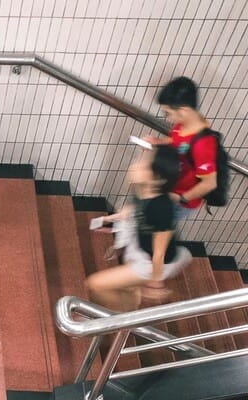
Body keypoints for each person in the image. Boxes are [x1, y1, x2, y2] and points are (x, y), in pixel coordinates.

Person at [86, 145, 192, 311]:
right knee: (126, 285)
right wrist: (110, 222)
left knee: (95, 284)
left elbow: (159, 253)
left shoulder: (161, 210)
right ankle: (128, 304)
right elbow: (134, 210)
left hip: (151, 263)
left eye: (143, 164)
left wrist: (155, 283)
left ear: (157, 177)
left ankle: (122, 317)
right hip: (140, 246)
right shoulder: (143, 189)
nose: (135, 165)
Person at [146, 77, 218, 218]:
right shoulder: (183, 124)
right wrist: (158, 141)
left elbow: (210, 183)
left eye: (168, 113)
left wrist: (182, 198)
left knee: (159, 233)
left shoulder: (203, 144)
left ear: (183, 110)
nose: (167, 118)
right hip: (169, 188)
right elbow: (178, 141)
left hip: (179, 202)